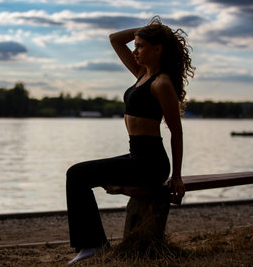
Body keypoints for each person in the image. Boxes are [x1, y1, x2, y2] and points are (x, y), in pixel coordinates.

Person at [65, 16, 195, 265]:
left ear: (158, 49)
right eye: (135, 45)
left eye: (141, 46)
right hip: (136, 158)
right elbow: (114, 39)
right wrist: (152, 30)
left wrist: (176, 176)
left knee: (77, 174)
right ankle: (93, 244)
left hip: (150, 163)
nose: (135, 51)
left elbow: (176, 132)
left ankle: (93, 245)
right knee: (78, 175)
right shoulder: (141, 74)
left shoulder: (162, 83)